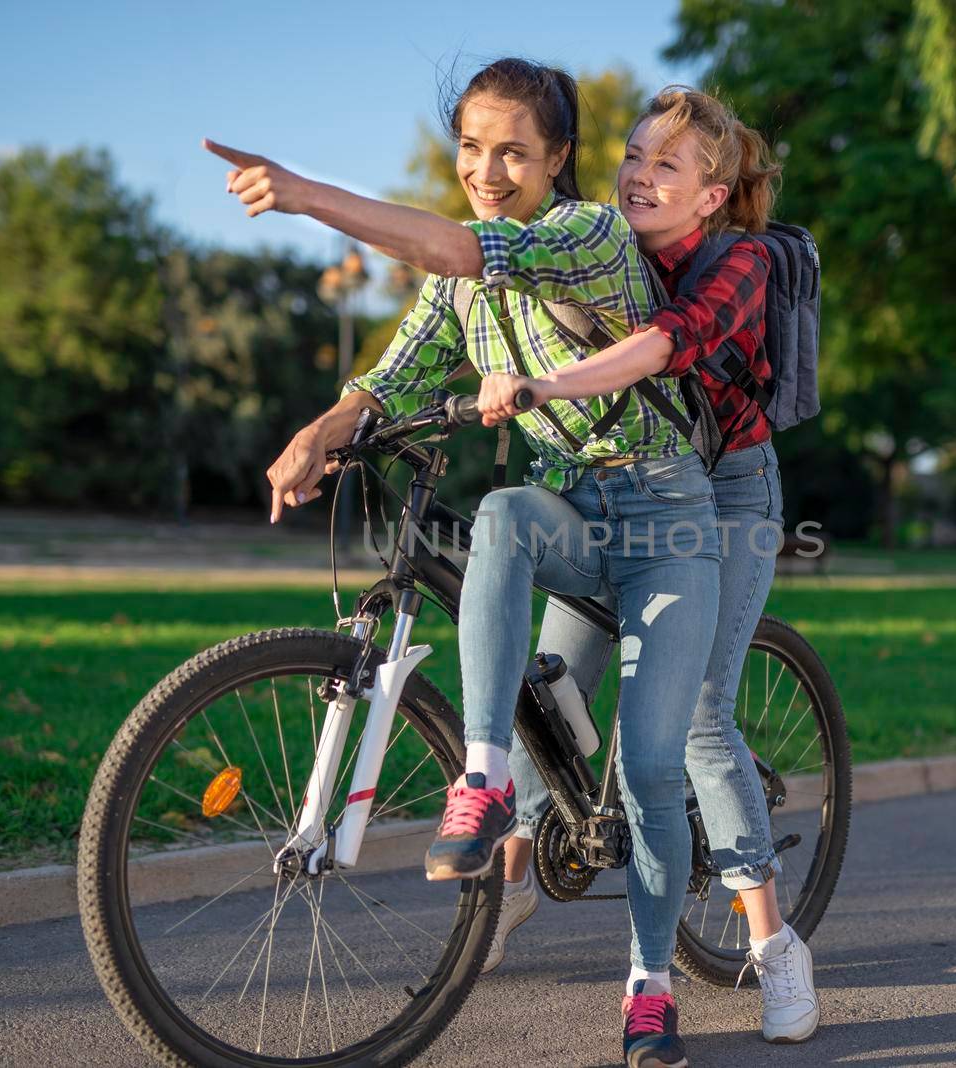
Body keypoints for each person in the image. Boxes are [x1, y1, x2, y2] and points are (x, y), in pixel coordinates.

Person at [209, 59, 720, 1068]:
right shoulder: (460, 286)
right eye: (472, 149)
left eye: (513, 152)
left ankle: (650, 987)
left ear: (557, 159)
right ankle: (484, 780)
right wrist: (326, 426)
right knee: (500, 513)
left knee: (655, 769)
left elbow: (460, 245)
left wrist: (306, 194)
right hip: (573, 512)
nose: (487, 170)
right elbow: (396, 370)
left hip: (666, 525)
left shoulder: (589, 234)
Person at [473, 86, 820, 1045]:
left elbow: (662, 347)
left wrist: (542, 383)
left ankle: (774, 945)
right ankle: (506, 889)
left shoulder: (739, 261)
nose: (639, 173)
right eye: (634, 153)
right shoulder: (603, 246)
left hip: (729, 501)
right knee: (545, 692)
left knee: (702, 718)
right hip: (618, 493)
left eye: (668, 164)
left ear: (711, 197)